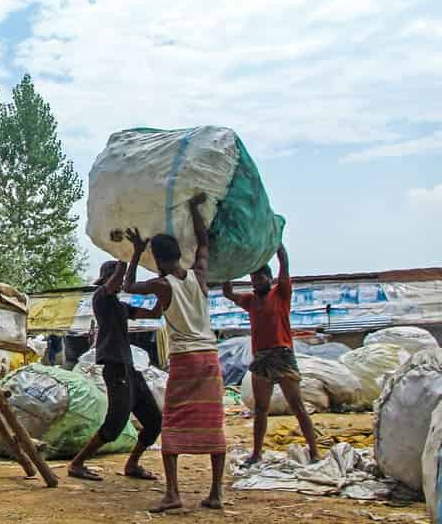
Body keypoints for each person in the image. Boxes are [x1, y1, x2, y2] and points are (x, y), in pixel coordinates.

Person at [124, 192, 226, 512]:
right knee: (213, 423)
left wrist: (136, 251)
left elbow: (128, 287)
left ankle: (173, 494)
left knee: (173, 422)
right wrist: (195, 209)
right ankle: (215, 493)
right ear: (180, 253)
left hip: (184, 358)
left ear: (155, 258)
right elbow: (204, 242)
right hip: (210, 358)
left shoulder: (162, 285)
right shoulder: (198, 275)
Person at [222, 244, 319, 463]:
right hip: (261, 358)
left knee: (297, 406)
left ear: (269, 277)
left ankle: (314, 451)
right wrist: (226, 268)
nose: (256, 282)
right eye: (253, 279)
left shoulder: (281, 293)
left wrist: (276, 243)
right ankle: (256, 453)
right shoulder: (250, 300)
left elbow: (284, 262)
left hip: (282, 355)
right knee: (261, 409)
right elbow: (227, 293)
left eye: (259, 278)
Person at [68, 259, 163, 481]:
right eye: (117, 278)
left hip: (129, 369)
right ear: (109, 278)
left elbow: (154, 314)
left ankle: (132, 465)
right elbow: (119, 276)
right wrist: (129, 254)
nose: (121, 283)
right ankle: (77, 463)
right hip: (115, 368)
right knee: (116, 422)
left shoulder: (121, 307)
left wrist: (162, 289)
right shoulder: (100, 298)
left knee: (154, 420)